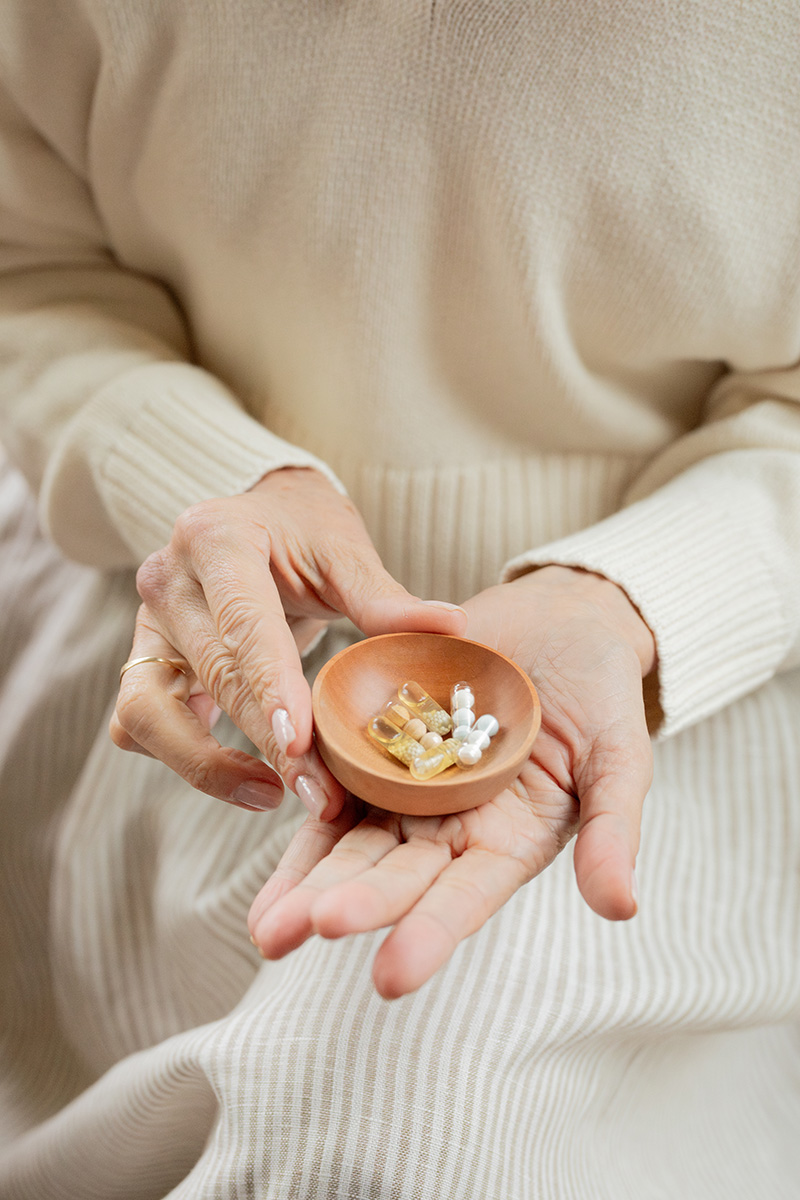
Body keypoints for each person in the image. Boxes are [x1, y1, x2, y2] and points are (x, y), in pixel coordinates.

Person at [0, 2, 798, 1196]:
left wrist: (628, 595)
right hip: (172, 617)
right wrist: (204, 479)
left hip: (682, 662)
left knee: (400, 1132)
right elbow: (32, 265)